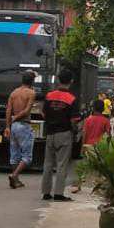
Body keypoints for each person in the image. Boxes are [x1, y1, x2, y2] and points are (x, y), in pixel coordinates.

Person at [41, 70, 80, 202]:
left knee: (47, 164)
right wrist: (75, 132)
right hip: (64, 134)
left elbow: (43, 114)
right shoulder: (72, 99)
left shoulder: (49, 96)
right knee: (62, 164)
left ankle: (46, 193)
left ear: (58, 80)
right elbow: (74, 120)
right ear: (71, 81)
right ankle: (58, 194)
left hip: (50, 133)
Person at [70, 99, 113, 193]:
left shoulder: (88, 120)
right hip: (100, 147)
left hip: (88, 145)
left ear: (93, 108)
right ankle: (100, 187)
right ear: (103, 109)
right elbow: (109, 135)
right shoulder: (106, 121)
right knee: (100, 168)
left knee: (85, 167)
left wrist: (82, 147)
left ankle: (79, 185)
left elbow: (84, 134)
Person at [4, 71, 37, 189]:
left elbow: (8, 110)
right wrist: (16, 118)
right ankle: (14, 175)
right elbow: (27, 110)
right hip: (23, 125)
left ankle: (16, 180)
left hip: (13, 127)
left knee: (14, 154)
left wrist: (8, 126)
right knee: (27, 156)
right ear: (32, 81)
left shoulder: (14, 92)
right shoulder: (31, 93)